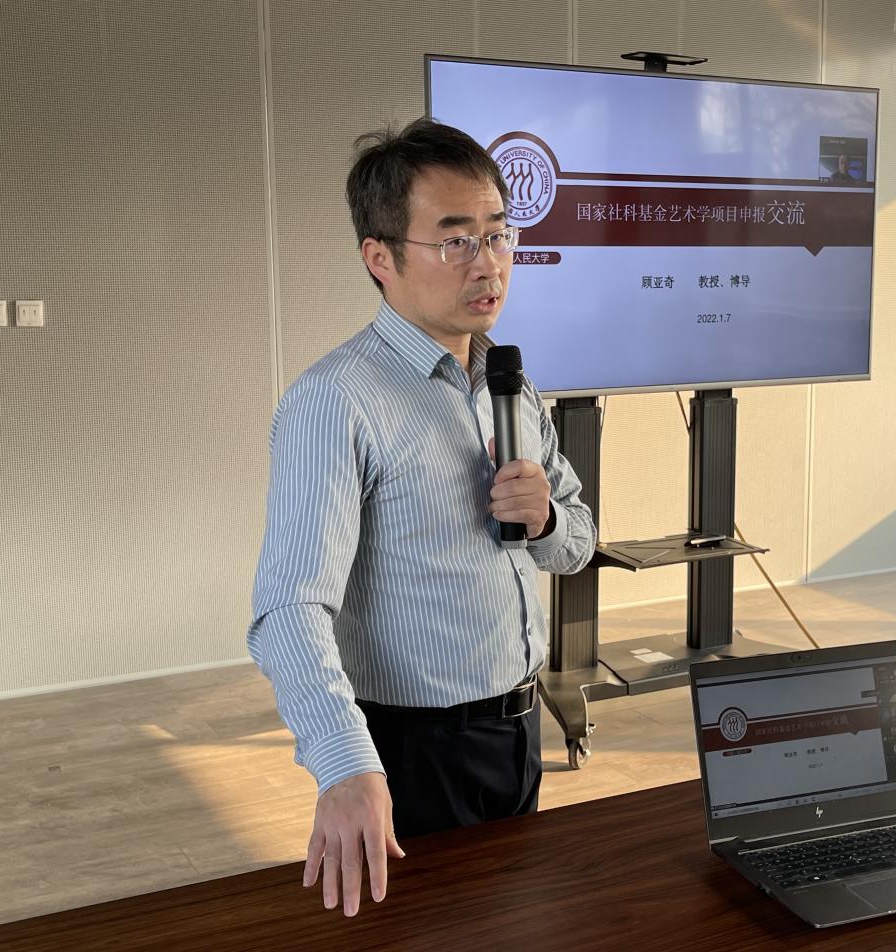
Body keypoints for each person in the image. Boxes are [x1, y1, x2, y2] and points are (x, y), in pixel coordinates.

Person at [247, 117, 596, 919]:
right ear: (380, 257)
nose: (488, 263)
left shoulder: (508, 383)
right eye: (455, 240)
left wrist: (544, 520)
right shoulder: (335, 402)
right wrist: (344, 765)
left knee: (511, 924)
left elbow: (576, 544)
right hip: (412, 751)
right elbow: (288, 609)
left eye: (498, 234)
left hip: (518, 728)